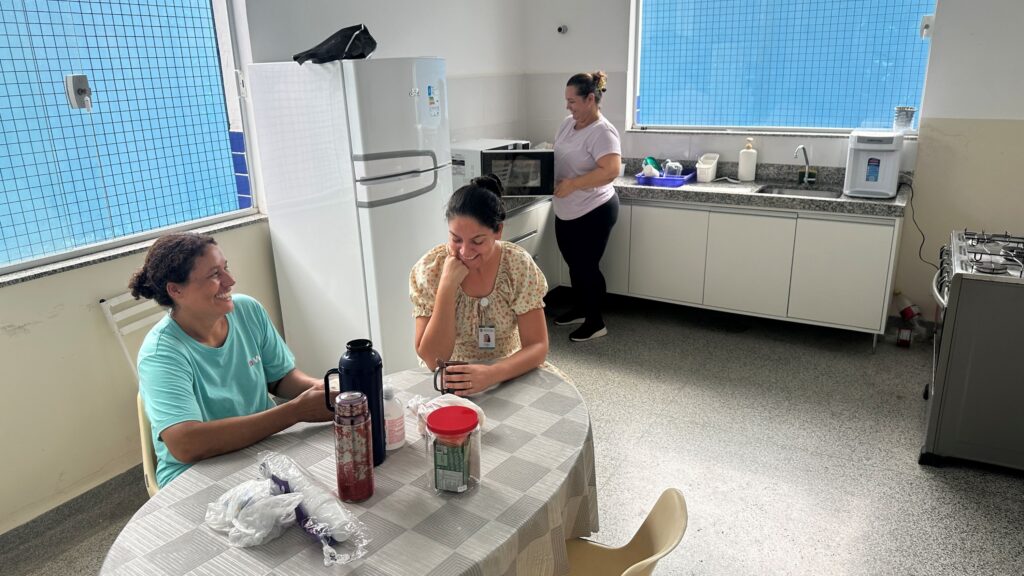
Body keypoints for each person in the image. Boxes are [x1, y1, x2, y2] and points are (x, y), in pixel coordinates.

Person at [129, 233, 332, 487]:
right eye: (215, 275)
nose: (230, 280)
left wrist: (322, 390)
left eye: (226, 268)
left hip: (262, 447)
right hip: (198, 471)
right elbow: (185, 444)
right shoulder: (161, 354)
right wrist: (294, 412)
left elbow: (280, 378)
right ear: (176, 289)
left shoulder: (247, 310)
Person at [410, 175, 549, 396]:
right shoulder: (431, 269)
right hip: (448, 383)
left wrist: (491, 374)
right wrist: (447, 285)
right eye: (456, 239)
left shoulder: (517, 265)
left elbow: (538, 346)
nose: (465, 252)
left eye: (477, 241)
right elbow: (432, 359)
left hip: (507, 373)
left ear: (498, 231)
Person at [552, 70, 622, 342]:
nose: (567, 106)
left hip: (595, 210)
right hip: (567, 209)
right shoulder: (568, 124)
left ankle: (596, 322)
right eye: (566, 101)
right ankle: (581, 309)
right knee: (574, 264)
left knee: (587, 266)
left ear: (590, 98)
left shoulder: (602, 131)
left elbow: (611, 170)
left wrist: (573, 184)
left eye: (572, 101)